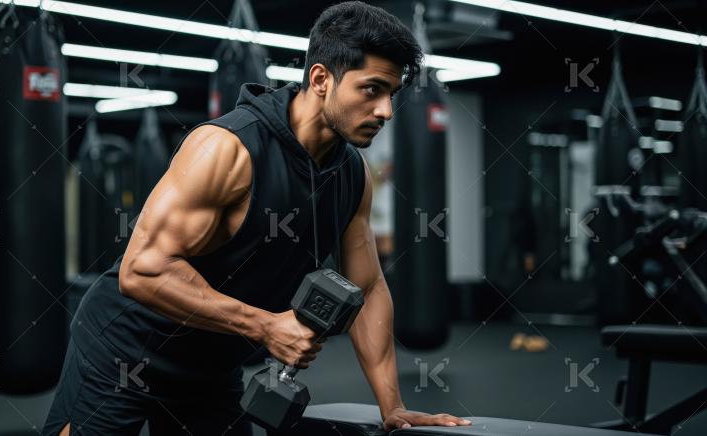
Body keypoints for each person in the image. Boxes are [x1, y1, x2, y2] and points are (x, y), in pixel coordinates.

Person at [43, 2, 471, 435]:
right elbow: (141, 272)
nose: (386, 112)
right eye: (372, 90)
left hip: (210, 366)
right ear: (321, 79)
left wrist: (392, 407)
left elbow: (368, 288)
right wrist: (265, 325)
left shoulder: (351, 174)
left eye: (392, 95)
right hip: (124, 350)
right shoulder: (226, 149)